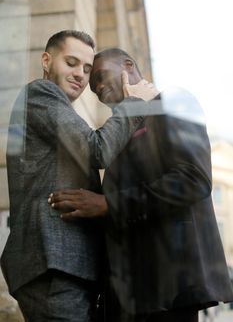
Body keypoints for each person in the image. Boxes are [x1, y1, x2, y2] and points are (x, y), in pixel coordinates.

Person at [49, 48, 233, 322]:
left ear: (128, 65)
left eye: (100, 76)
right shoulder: (122, 128)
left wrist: (108, 204)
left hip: (169, 289)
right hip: (126, 296)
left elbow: (193, 179)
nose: (97, 88)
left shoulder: (171, 101)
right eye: (93, 86)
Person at [0, 32, 156, 322]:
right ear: (46, 60)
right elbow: (96, 150)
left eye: (86, 69)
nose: (81, 75)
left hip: (68, 267)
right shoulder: (40, 94)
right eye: (71, 62)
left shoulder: (60, 109)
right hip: (54, 265)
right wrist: (134, 105)